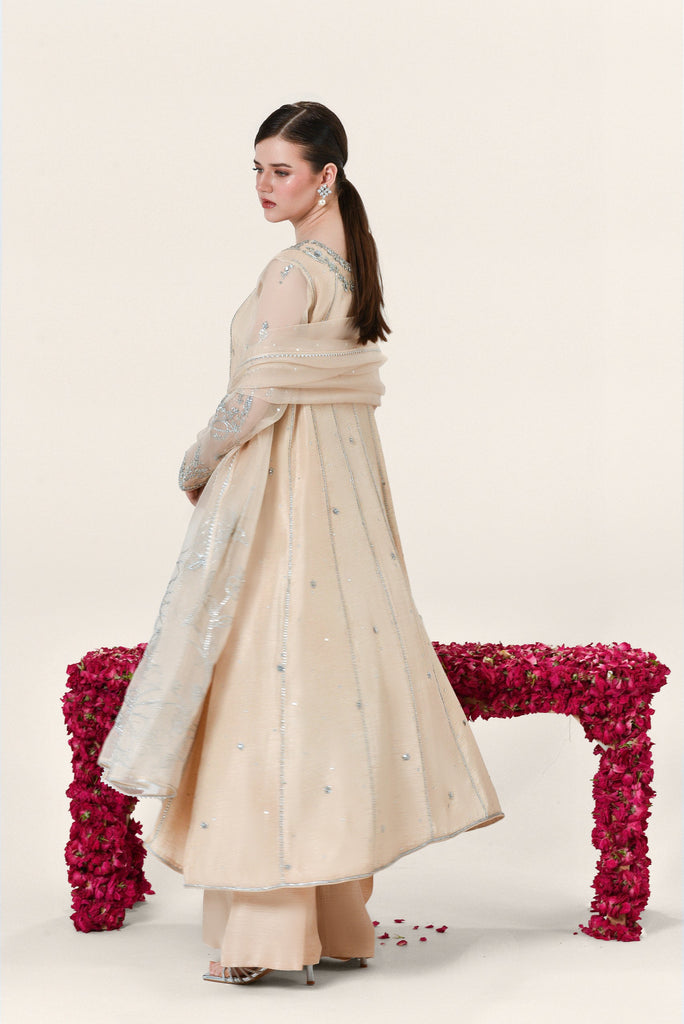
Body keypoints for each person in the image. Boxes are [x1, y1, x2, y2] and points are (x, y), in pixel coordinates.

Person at [99, 101, 503, 987]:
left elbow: (253, 400)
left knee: (266, 682)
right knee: (322, 683)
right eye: (256, 169)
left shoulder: (292, 271)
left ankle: (268, 938)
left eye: (280, 170)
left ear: (327, 176)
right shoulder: (353, 269)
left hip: (283, 492)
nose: (262, 185)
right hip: (340, 499)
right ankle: (338, 922)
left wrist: (194, 462)